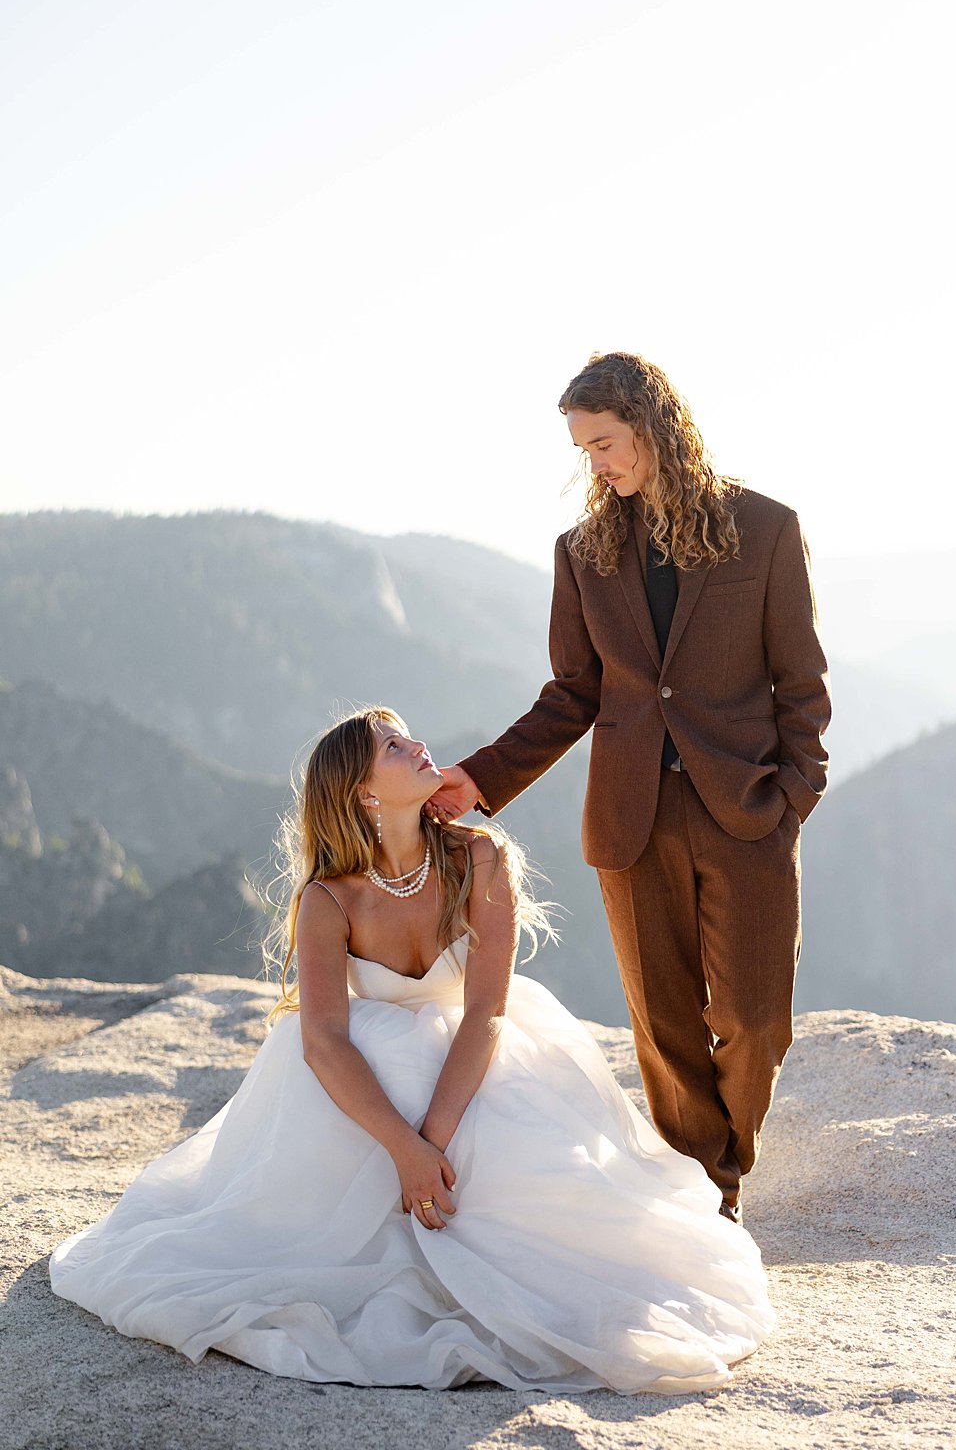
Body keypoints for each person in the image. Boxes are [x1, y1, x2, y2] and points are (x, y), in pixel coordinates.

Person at [50, 707, 774, 1391]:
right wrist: (402, 1149)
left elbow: (486, 1010)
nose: (417, 745)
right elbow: (325, 1042)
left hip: (471, 1064)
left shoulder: (480, 859)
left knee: (532, 1185)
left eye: (406, 736)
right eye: (392, 747)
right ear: (364, 796)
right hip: (364, 1094)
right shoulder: (329, 901)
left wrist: (433, 1142)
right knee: (381, 1046)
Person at [428, 352, 829, 1226]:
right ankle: (707, 1195)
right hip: (630, 819)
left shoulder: (764, 529)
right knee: (665, 1027)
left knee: (756, 1021)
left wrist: (797, 792)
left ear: (652, 426)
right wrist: (481, 777)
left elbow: (802, 681)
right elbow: (573, 693)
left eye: (605, 443)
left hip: (746, 811)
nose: (598, 464)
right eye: (586, 450)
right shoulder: (585, 554)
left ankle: (727, 1157)